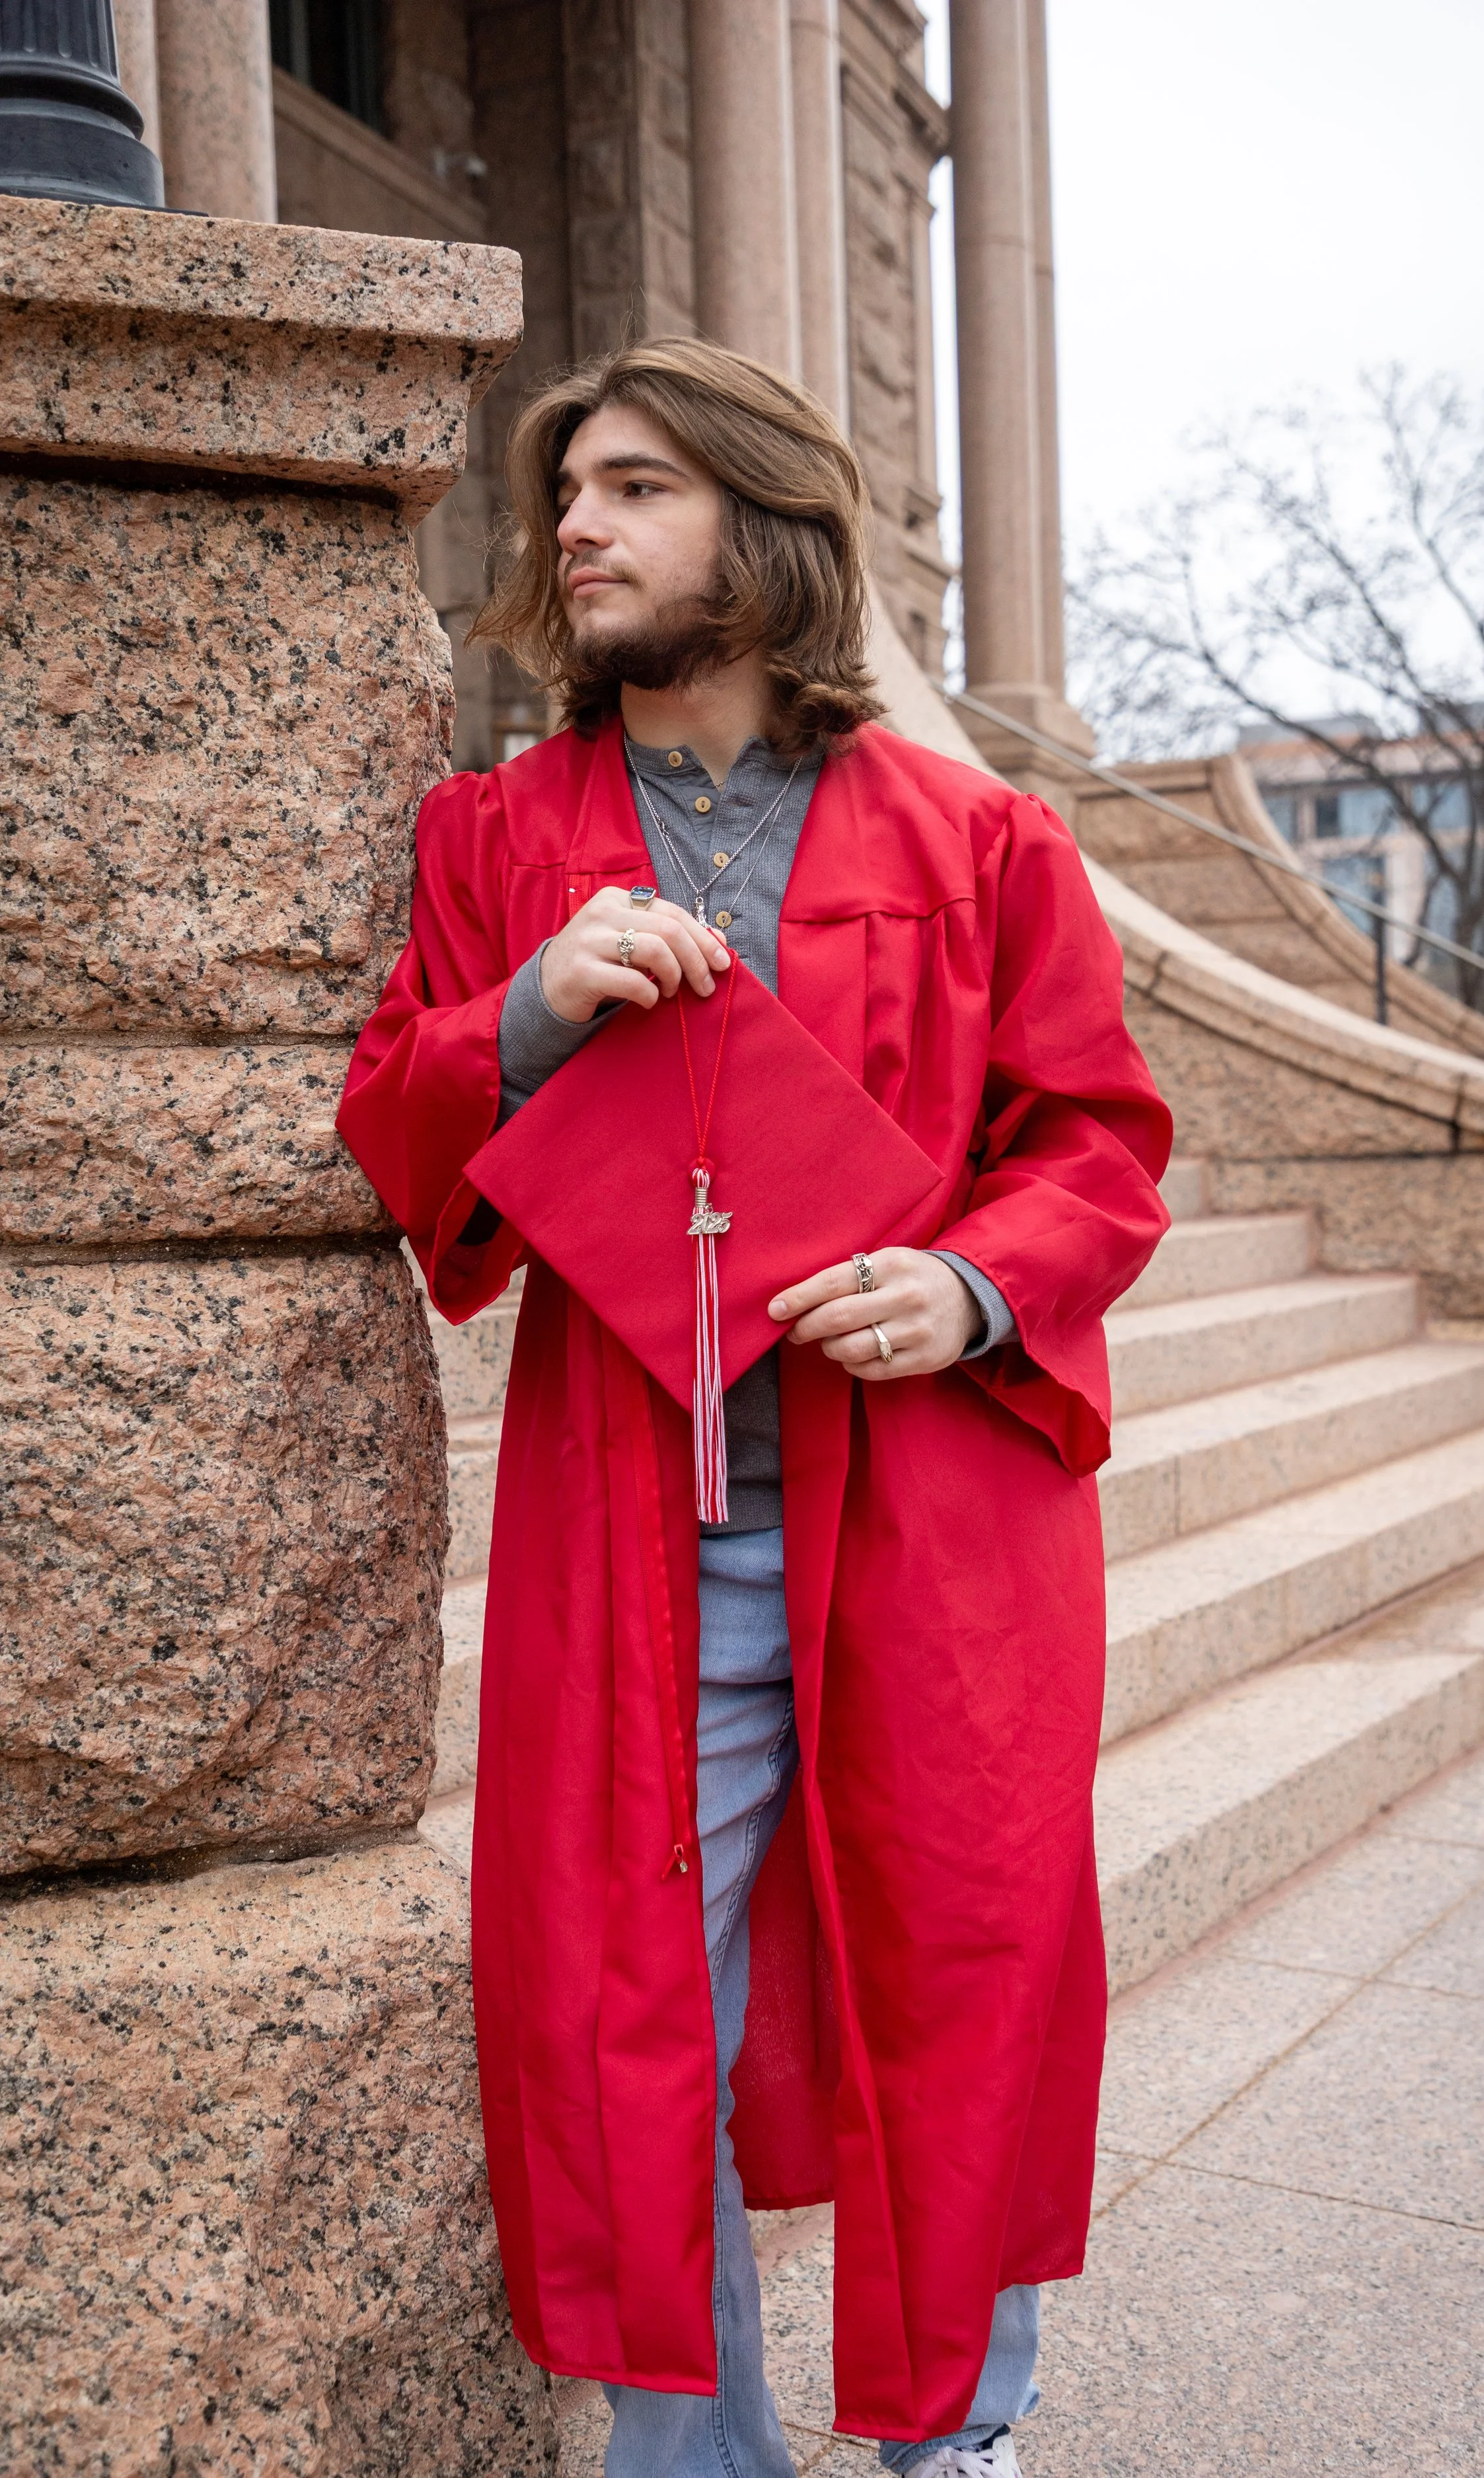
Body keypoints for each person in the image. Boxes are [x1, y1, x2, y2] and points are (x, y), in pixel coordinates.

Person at [338, 335, 1172, 2478]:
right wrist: (522, 1014)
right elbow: (401, 1127)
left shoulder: (974, 837)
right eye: (567, 498)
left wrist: (976, 1282)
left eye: (632, 487)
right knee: (618, 2006)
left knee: (965, 1963)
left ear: (762, 523)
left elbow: (1096, 1139)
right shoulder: (499, 835)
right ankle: (689, 2459)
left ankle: (954, 2435)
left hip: (930, 1513)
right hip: (643, 1518)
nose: (576, 531)